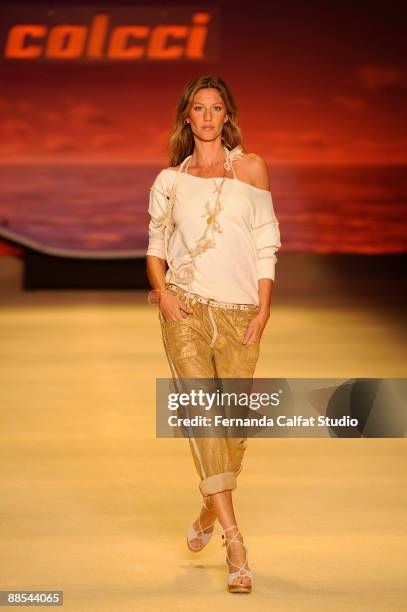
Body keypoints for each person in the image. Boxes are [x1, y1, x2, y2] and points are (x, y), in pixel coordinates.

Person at [146, 74, 281, 594]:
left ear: (228, 116)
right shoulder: (168, 181)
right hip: (185, 311)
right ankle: (234, 540)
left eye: (216, 108)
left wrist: (264, 308)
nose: (207, 116)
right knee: (203, 414)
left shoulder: (252, 170)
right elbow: (155, 247)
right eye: (198, 108)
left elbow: (267, 241)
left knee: (235, 430)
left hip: (240, 311)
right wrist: (165, 294)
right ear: (187, 116)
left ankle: (207, 509)